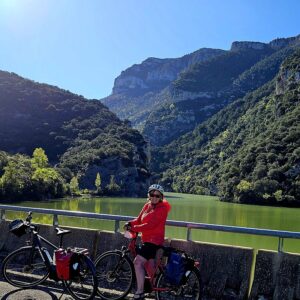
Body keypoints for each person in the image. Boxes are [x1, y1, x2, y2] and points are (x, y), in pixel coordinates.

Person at [124, 184, 171, 300]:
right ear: (149, 195)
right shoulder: (147, 205)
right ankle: (153, 290)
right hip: (146, 240)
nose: (154, 197)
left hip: (154, 242)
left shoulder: (163, 208)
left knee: (137, 262)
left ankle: (140, 292)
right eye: (152, 194)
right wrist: (130, 223)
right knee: (150, 266)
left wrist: (134, 229)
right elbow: (139, 220)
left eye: (157, 195)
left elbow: (150, 225)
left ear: (161, 197)